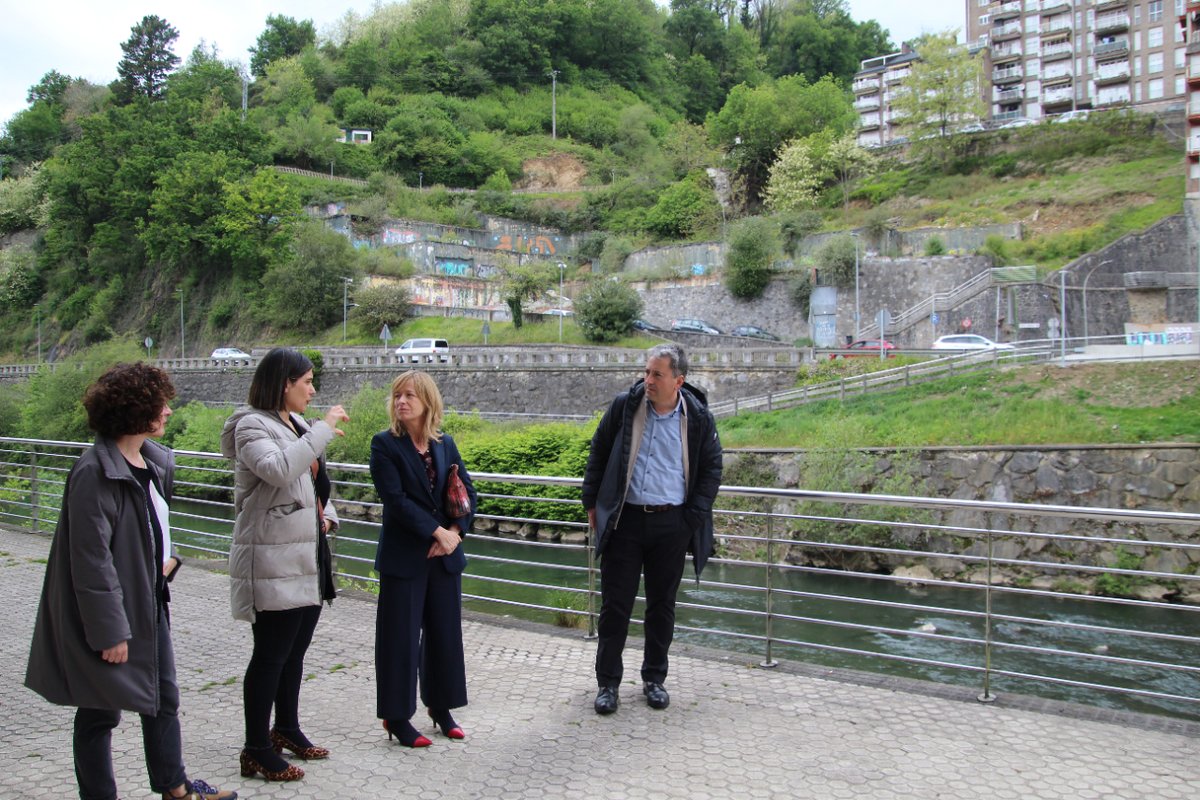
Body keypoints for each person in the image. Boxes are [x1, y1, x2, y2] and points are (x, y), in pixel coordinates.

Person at [25, 362, 237, 800]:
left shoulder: (152, 461)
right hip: (114, 615)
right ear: (135, 410)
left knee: (162, 699)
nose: (169, 412)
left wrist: (168, 560)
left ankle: (175, 789)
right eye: (161, 405)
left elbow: (149, 529)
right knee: (99, 714)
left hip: (148, 601)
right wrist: (109, 631)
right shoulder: (93, 472)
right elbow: (90, 561)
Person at [222, 348, 349, 782]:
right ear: (283, 383)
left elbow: (312, 483)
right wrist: (321, 431)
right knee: (270, 654)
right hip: (273, 558)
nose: (313, 390)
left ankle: (286, 728)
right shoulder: (251, 425)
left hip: (307, 555)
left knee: (294, 651)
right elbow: (278, 470)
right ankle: (255, 748)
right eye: (307, 381)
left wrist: (328, 516)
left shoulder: (294, 425)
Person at [582, 343, 723, 715]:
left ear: (679, 380)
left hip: (671, 523)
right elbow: (598, 451)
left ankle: (654, 679)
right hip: (625, 520)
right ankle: (607, 684)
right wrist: (591, 503)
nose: (648, 380)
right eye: (646, 372)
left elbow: (712, 470)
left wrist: (690, 518)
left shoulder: (697, 416)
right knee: (615, 606)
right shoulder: (624, 406)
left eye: (657, 374)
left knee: (662, 607)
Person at [370, 371, 476, 748]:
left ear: (427, 402)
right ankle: (397, 717)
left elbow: (466, 490)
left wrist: (456, 533)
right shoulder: (384, 445)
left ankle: (442, 708)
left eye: (409, 395)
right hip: (406, 556)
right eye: (397, 395)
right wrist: (438, 533)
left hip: (444, 556)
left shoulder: (444, 443)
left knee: (445, 634)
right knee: (399, 639)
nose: (401, 402)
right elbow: (395, 501)